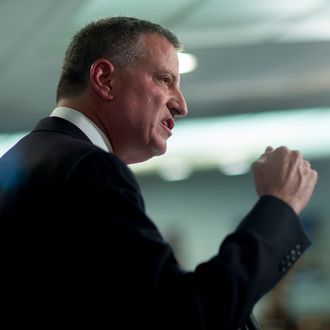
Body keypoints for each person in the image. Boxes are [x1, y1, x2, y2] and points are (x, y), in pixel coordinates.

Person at [0, 17, 317, 329]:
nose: (181, 105)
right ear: (104, 79)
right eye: (165, 79)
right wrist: (279, 205)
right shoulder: (89, 168)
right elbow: (182, 316)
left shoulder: (20, 160)